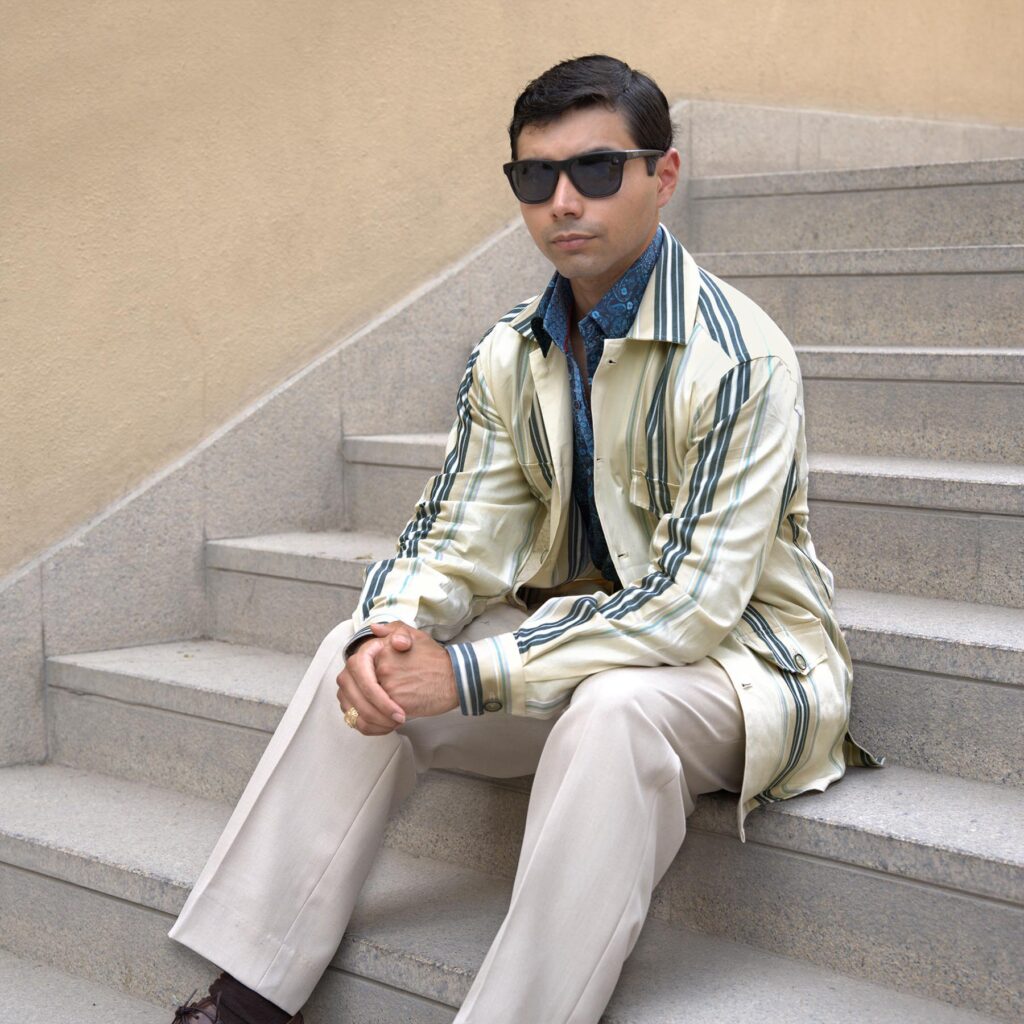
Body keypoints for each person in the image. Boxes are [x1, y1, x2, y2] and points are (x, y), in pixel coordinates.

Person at [168, 54, 878, 1024]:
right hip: (579, 643)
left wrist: (469, 673)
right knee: (360, 654)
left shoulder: (741, 357)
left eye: (595, 170)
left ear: (663, 175)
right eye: (535, 176)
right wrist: (393, 628)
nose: (563, 201)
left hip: (738, 665)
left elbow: (691, 607)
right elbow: (457, 532)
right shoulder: (511, 351)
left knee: (616, 712)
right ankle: (247, 1000)